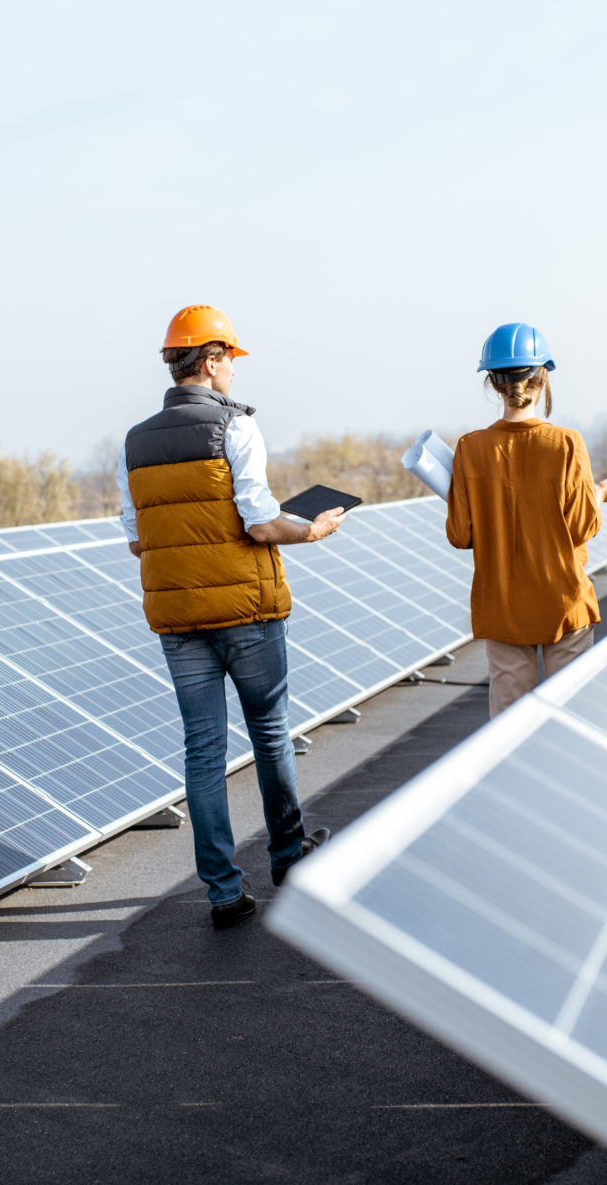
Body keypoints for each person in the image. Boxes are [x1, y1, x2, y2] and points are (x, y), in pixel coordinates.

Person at [117, 304, 347, 929]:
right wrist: (314, 530)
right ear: (211, 359)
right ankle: (288, 855)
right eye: (230, 362)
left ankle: (222, 890)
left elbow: (139, 540)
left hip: (179, 620)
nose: (234, 375)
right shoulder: (236, 429)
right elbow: (260, 522)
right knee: (269, 733)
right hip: (246, 612)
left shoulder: (134, 443)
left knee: (202, 749)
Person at [446, 322, 607, 716]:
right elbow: (583, 527)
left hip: (501, 605)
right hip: (562, 602)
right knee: (569, 721)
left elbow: (461, 535)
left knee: (507, 729)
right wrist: (600, 492)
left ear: (493, 383)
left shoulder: (469, 448)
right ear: (542, 378)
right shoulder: (565, 443)